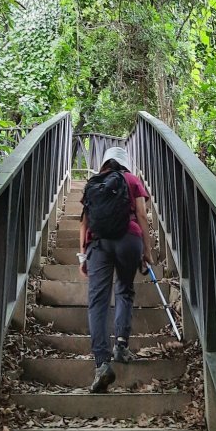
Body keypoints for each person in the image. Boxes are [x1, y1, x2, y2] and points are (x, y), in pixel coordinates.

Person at [79, 146, 154, 393]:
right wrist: (147, 250)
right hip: (129, 239)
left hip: (98, 244)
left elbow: (85, 222)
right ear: (125, 163)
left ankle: (101, 363)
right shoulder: (132, 179)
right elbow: (142, 215)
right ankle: (121, 345)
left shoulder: (94, 183)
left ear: (104, 162)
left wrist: (82, 256)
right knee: (124, 289)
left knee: (98, 301)